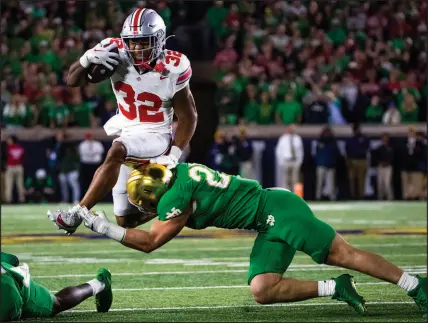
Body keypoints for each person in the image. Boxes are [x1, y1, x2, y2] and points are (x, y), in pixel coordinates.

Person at [50, 163, 427, 316]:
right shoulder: (175, 171)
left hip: (280, 211)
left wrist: (102, 228)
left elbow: (149, 242)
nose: (146, 208)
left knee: (345, 253)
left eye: (145, 203)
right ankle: (335, 288)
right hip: (267, 220)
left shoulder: (175, 198)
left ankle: (414, 284)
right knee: (263, 289)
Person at [62, 8, 197, 229]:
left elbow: (188, 117)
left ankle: (78, 212)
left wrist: (173, 155)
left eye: (144, 42)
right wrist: (87, 58)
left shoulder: (174, 66)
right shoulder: (114, 50)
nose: (136, 48)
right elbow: (72, 80)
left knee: (116, 150)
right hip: (129, 130)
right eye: (132, 42)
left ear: (159, 39)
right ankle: (179, 204)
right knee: (125, 219)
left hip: (156, 134)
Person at [0, 252, 112, 321]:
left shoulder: (6, 288)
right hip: (5, 271)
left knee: (56, 303)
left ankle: (100, 283)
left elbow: (13, 307)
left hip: (11, 288)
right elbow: (12, 259)